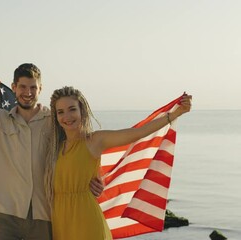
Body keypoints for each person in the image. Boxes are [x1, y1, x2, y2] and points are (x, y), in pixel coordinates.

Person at [0, 63, 104, 240]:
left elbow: (78, 150)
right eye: (22, 87)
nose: (28, 92)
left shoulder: (54, 120)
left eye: (33, 87)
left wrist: (94, 177)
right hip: (5, 215)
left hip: (44, 215)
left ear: (40, 89)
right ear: (14, 87)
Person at [44, 86, 192, 240]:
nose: (67, 116)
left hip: (86, 220)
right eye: (60, 112)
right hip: (61, 222)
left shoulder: (94, 141)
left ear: (82, 111)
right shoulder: (55, 148)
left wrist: (174, 114)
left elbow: (137, 133)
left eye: (72, 109)